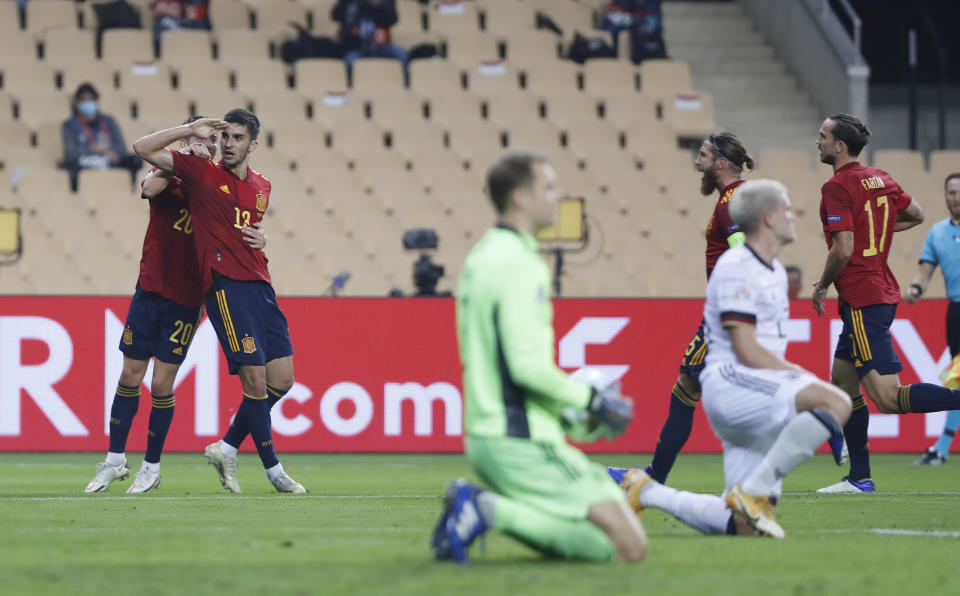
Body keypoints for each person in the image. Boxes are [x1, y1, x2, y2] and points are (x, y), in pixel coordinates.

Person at [430, 151, 645, 564]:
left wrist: (568, 416)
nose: (558, 195)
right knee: (629, 546)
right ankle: (485, 509)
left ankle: (488, 510)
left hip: (491, 433)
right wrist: (591, 400)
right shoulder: (519, 263)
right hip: (520, 440)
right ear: (520, 197)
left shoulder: (483, 255)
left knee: (607, 544)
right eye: (548, 187)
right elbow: (525, 368)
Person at [616, 179, 851, 538]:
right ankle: (752, 492)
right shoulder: (737, 265)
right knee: (836, 400)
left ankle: (645, 490)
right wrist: (808, 383)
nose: (794, 216)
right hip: (733, 384)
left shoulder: (772, 270)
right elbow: (747, 349)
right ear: (769, 218)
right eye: (786, 209)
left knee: (744, 526)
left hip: (757, 392)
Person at [84, 116, 268, 494]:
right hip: (150, 286)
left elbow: (239, 220)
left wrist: (260, 237)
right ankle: (115, 460)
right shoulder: (176, 171)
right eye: (206, 136)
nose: (211, 144)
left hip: (188, 297)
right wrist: (184, 147)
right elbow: (150, 188)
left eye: (215, 139)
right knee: (129, 374)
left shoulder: (216, 180)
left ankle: (151, 467)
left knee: (161, 383)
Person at [133, 109, 305, 494]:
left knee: (283, 379)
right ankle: (274, 470)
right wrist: (189, 130)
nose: (228, 144)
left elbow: (246, 225)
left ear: (252, 145)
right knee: (256, 380)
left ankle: (227, 446)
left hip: (261, 284)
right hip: (225, 286)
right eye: (224, 137)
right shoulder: (201, 173)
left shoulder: (263, 187)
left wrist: (263, 240)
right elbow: (142, 147)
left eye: (237, 138)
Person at [811, 113, 960, 493]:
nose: (819, 141)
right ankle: (860, 478)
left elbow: (843, 249)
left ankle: (861, 476)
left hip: (862, 297)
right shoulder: (880, 177)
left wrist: (823, 284)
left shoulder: (837, 187)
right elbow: (917, 214)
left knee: (889, 399)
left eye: (823, 136)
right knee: (843, 384)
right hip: (877, 291)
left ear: (840, 146)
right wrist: (870, 229)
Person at [638, 133, 754, 485]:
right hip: (735, 309)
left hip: (725, 313)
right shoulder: (739, 197)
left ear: (721, 163)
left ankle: (655, 476)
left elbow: (741, 250)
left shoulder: (730, 203)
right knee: (709, 388)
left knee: (687, 385)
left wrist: (732, 305)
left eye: (702, 154)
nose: (696, 160)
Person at [903, 172, 960, 466]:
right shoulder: (937, 233)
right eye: (951, 192)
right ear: (945, 196)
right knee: (958, 380)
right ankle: (941, 448)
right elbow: (925, 271)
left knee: (958, 379)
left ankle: (941, 447)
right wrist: (915, 288)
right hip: (957, 314)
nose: (957, 197)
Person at [61, 82, 142, 190]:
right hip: (84, 163)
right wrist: (90, 149)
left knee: (134, 160)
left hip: (110, 160)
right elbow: (70, 152)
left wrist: (106, 151)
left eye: (91, 99)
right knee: (70, 165)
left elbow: (121, 148)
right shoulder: (69, 125)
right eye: (83, 100)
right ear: (77, 102)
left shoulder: (109, 121)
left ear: (96, 100)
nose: (87, 103)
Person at [331, 0, 408, 71]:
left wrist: (377, 4)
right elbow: (335, 15)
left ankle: (403, 84)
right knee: (350, 60)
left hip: (381, 46)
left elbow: (393, 19)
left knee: (401, 54)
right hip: (356, 47)